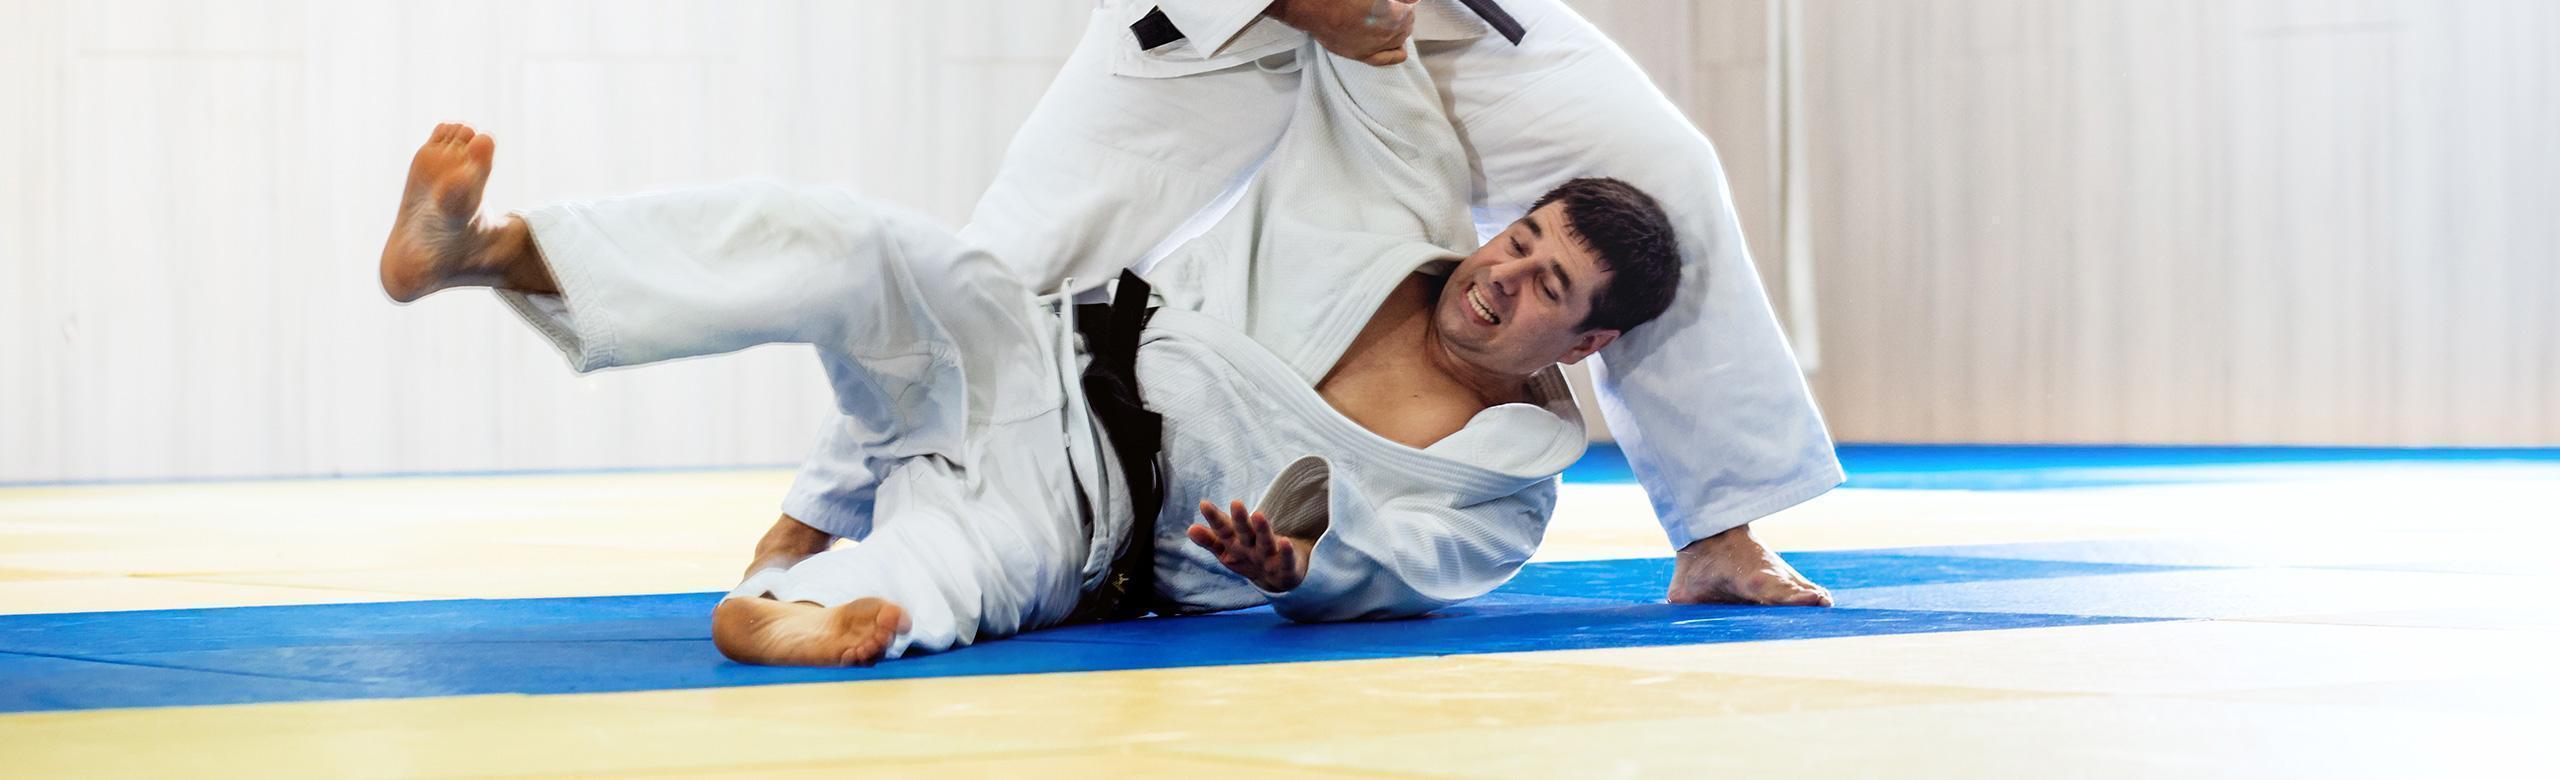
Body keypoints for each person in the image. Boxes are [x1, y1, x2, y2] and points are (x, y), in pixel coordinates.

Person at [381, 43, 1682, 665]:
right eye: (1521, 240)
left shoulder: (1506, 485)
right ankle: (490, 253)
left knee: (971, 564)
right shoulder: (1403, 207)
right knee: (856, 241)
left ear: (1594, 341)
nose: (1503, 274)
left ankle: (808, 611)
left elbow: (1380, 581)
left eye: (1548, 286)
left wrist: (1299, 564)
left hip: (1094, 510)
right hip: (1039, 348)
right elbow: (1379, 46)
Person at [759, 0, 1844, 609]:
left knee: (1662, 166)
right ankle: (815, 520)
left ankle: (1717, 529)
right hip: (1204, 27)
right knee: (1005, 257)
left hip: (1423, 16)